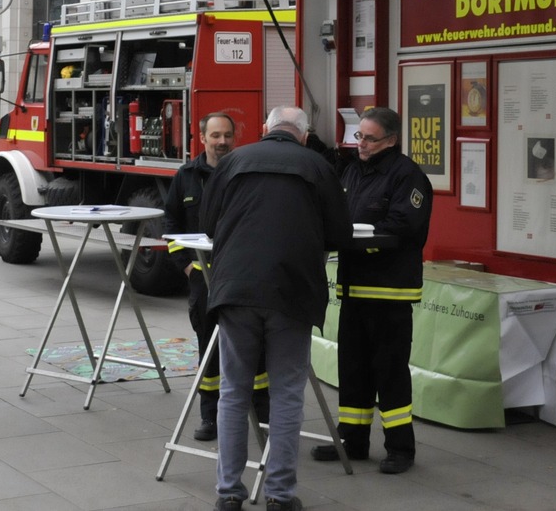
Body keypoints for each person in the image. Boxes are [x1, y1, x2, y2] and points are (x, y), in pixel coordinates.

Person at [202, 106, 352, 511]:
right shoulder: (317, 166)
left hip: (236, 290)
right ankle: (280, 496)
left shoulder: (234, 160)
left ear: (266, 129)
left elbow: (209, 222)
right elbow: (340, 234)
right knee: (287, 394)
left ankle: (228, 493)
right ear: (303, 136)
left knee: (233, 392)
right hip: (292, 292)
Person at [310, 107, 432, 475]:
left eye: (369, 138)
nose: (360, 143)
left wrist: (356, 239)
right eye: (358, 136)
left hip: (389, 292)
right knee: (353, 368)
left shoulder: (408, 176)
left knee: (390, 371)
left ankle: (399, 448)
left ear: (391, 140)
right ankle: (353, 441)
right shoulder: (351, 171)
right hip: (353, 289)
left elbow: (404, 228)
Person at [163, 112, 269, 442]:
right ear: (202, 137)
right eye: (215, 136)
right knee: (209, 349)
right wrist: (187, 266)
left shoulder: (246, 173)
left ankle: (261, 416)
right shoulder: (186, 176)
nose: (221, 141)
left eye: (227, 135)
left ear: (234, 138)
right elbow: (170, 227)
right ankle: (210, 417)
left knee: (256, 348)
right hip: (204, 280)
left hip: (241, 279)